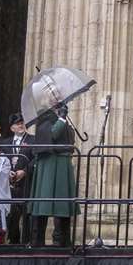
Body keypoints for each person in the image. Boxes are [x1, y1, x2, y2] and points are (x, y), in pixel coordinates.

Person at [27, 103, 76, 248]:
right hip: (49, 165)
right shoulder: (45, 117)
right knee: (44, 203)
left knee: (62, 204)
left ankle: (62, 240)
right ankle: (37, 240)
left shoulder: (60, 117)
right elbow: (53, 134)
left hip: (62, 164)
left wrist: (64, 120)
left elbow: (69, 137)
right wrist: (61, 119)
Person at [2, 114, 33, 244]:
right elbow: (0, 160)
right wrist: (7, 172)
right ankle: (13, 242)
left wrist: (25, 171)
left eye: (22, 122)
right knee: (11, 215)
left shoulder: (32, 140)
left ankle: (26, 242)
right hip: (9, 184)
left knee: (27, 214)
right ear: (12, 128)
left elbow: (36, 158)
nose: (20, 125)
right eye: (17, 123)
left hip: (26, 183)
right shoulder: (4, 142)